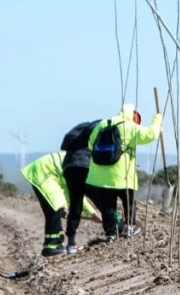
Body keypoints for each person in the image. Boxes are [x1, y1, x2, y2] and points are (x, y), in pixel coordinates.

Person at [85, 103, 162, 241]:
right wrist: (158, 119)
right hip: (123, 175)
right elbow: (151, 135)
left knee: (108, 207)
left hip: (101, 176)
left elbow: (90, 143)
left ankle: (110, 234)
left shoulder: (103, 123)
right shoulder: (130, 127)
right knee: (128, 202)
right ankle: (130, 228)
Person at [21, 151, 97, 257]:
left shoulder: (84, 162)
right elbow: (76, 195)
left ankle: (55, 245)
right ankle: (52, 247)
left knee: (57, 206)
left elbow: (70, 191)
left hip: (48, 172)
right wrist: (93, 213)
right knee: (56, 205)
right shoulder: (83, 167)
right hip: (43, 171)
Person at [60, 121, 96, 254]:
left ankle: (71, 243)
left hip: (69, 166)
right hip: (84, 167)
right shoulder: (100, 129)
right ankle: (115, 230)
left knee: (76, 203)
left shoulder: (79, 130)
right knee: (102, 199)